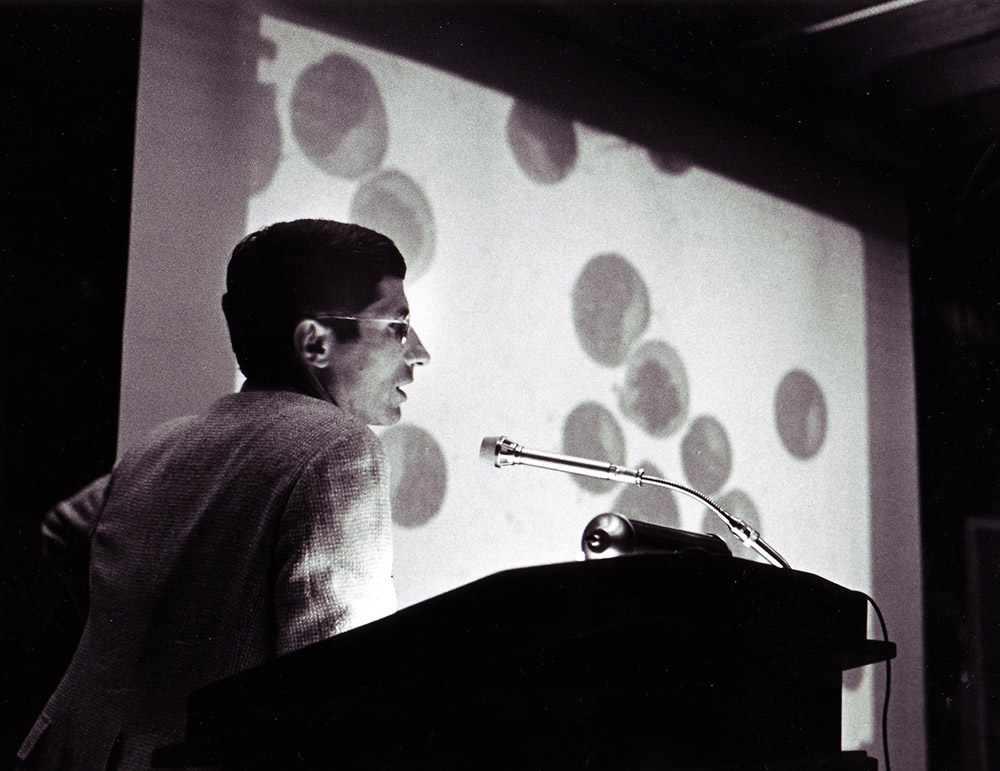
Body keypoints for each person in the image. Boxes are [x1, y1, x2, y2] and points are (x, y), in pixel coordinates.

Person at [16, 219, 430, 770]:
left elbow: (66, 529)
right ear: (316, 343)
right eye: (398, 327)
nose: (419, 352)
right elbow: (337, 677)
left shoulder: (161, 443)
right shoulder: (340, 449)